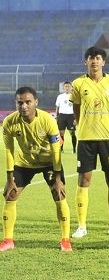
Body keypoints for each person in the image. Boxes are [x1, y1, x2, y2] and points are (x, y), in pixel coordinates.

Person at [1, 87, 72, 252]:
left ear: (36, 103)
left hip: (48, 162)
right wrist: (10, 177)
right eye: (20, 103)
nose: (24, 106)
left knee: (58, 193)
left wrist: (58, 178)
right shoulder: (9, 122)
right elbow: (9, 150)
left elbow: (56, 151)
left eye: (28, 102)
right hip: (25, 162)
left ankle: (65, 240)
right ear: (16, 103)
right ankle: (8, 240)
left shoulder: (47, 120)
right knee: (10, 194)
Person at [70, 46, 109, 238]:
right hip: (85, 138)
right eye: (91, 58)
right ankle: (82, 226)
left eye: (98, 58)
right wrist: (82, 125)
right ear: (85, 62)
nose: (94, 61)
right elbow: (76, 108)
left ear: (104, 62)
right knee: (84, 180)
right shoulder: (78, 84)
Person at [55, 81, 77, 153]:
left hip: (71, 116)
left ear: (71, 87)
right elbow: (57, 107)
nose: (67, 88)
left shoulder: (74, 96)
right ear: (63, 88)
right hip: (62, 116)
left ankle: (74, 149)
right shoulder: (60, 96)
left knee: (72, 133)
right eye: (65, 86)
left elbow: (76, 107)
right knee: (61, 133)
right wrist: (56, 116)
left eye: (68, 86)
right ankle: (61, 149)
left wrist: (76, 118)